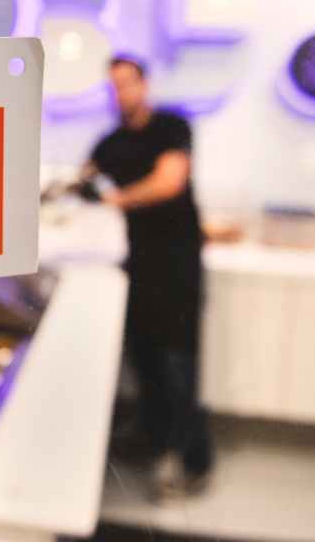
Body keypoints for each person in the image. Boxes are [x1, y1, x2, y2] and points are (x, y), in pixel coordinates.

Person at [82, 54, 213, 498]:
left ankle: (190, 461)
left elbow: (168, 182)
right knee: (147, 363)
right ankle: (156, 446)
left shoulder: (171, 128)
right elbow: (86, 180)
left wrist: (114, 200)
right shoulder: (109, 143)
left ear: (144, 84)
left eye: (127, 83)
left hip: (176, 266)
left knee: (179, 366)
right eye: (113, 85)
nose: (121, 93)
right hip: (133, 267)